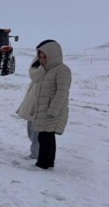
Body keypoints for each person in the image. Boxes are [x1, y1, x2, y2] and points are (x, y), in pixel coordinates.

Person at [17, 40, 71, 169]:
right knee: (46, 137)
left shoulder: (62, 70)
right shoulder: (46, 71)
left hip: (51, 111)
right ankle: (48, 162)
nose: (42, 60)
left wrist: (53, 110)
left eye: (45, 57)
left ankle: (42, 164)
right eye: (40, 57)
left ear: (53, 55)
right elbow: (40, 93)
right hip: (43, 110)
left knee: (45, 138)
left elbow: (62, 92)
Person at [16, 56, 43, 160]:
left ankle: (36, 153)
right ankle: (36, 152)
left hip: (38, 109)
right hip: (32, 107)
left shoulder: (44, 74)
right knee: (31, 132)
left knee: (36, 133)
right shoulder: (35, 77)